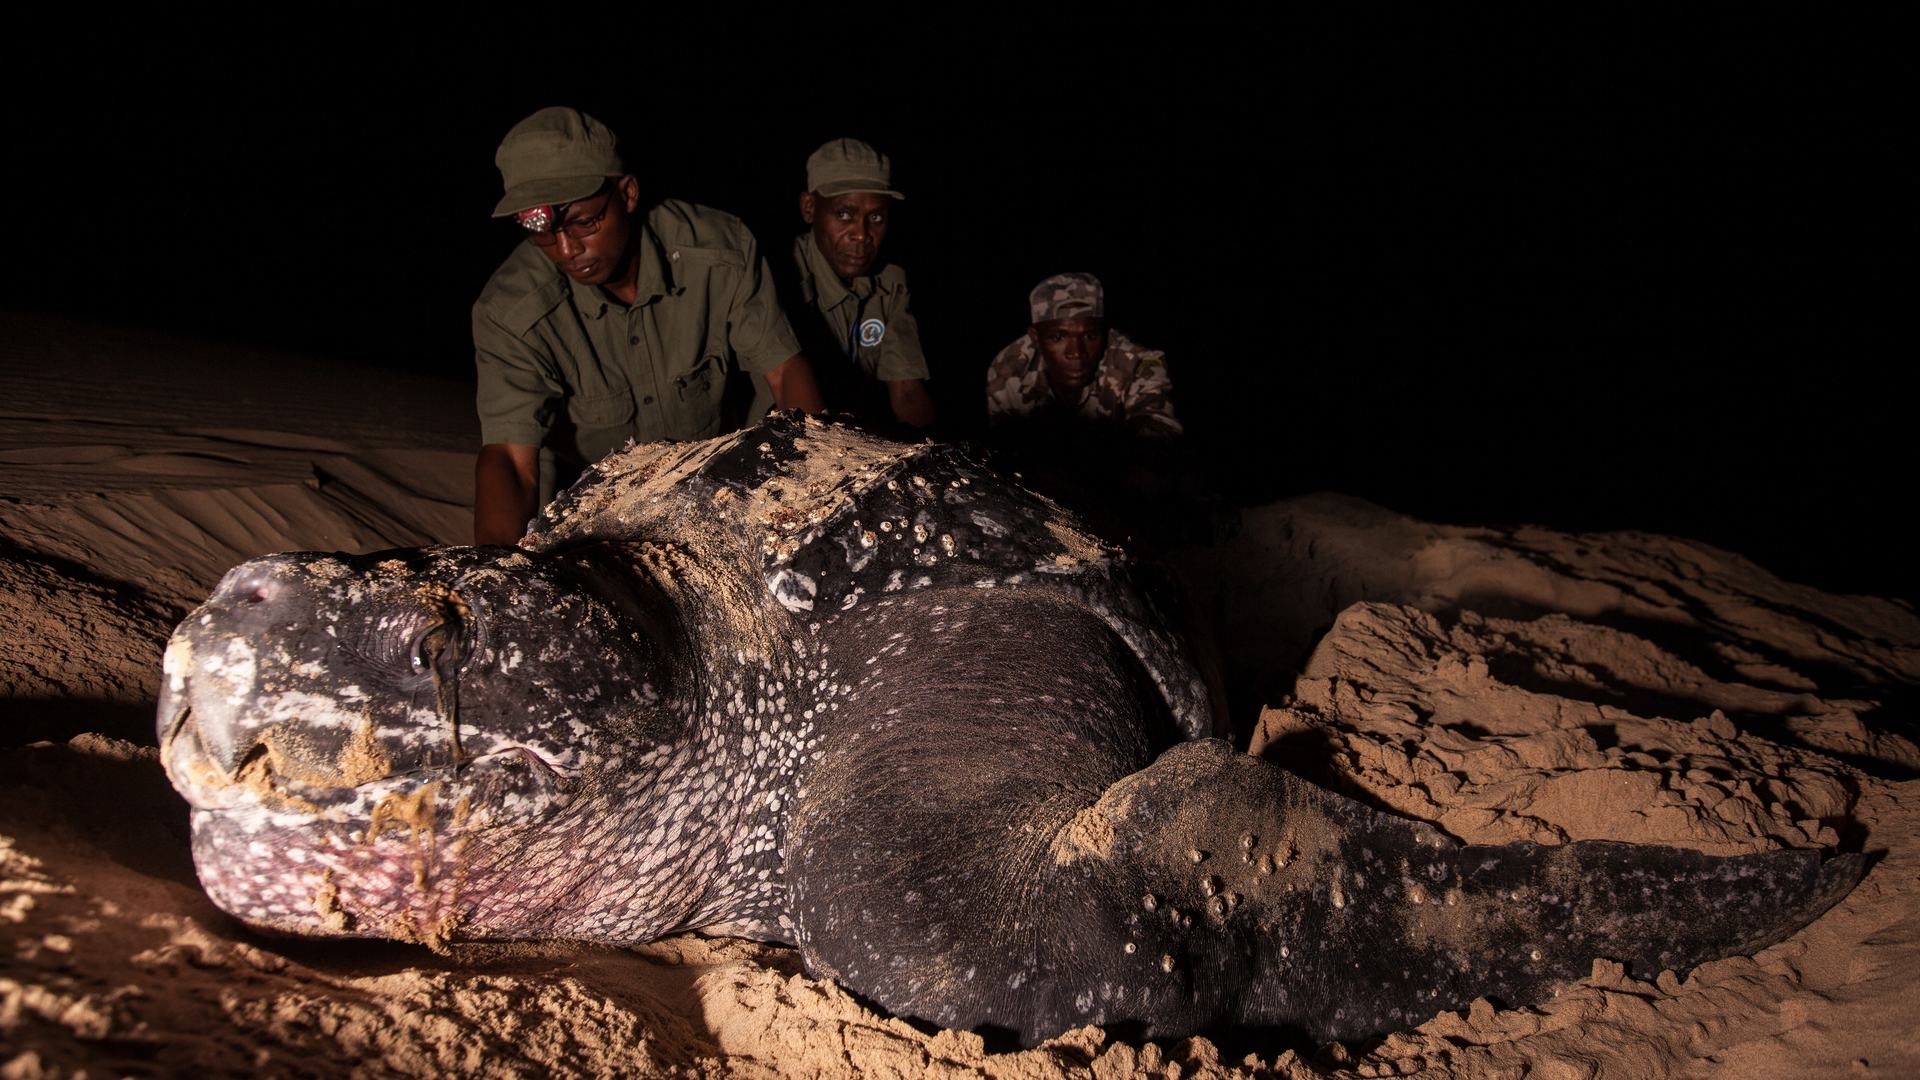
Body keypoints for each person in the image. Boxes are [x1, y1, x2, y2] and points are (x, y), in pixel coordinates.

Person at [471, 107, 824, 544]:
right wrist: (498, 572)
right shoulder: (510, 310)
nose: (565, 249)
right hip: (601, 520)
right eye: (540, 231)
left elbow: (787, 373)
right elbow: (508, 456)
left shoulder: (718, 252)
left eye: (584, 222)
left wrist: (807, 506)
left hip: (725, 490)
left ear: (628, 194)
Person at [767, 138, 935, 434]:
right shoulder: (775, 277)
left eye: (876, 217)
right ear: (809, 208)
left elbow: (907, 390)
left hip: (854, 439)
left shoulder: (889, 282)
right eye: (844, 214)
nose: (862, 233)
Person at [984, 272, 1181, 438]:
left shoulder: (1138, 363)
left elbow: (1159, 438)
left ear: (1104, 332)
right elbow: (1005, 451)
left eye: (1090, 335)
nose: (1076, 353)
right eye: (1058, 337)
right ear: (1036, 338)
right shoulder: (1008, 369)